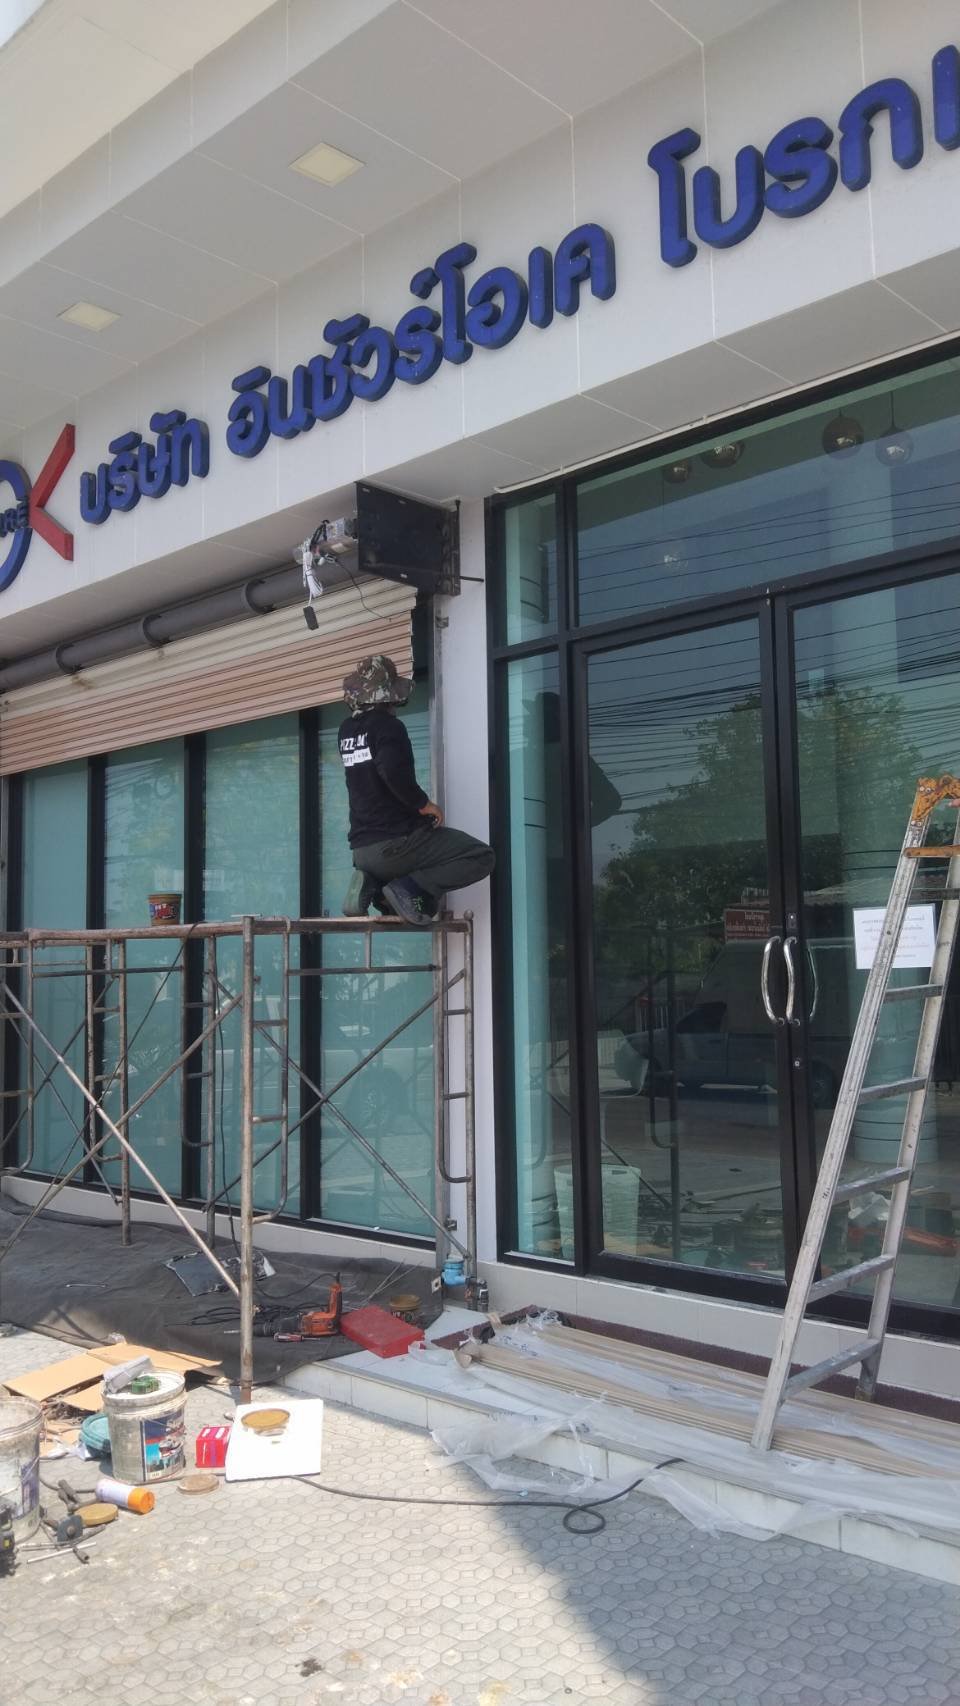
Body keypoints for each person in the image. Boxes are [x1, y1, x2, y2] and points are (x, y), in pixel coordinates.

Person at [338, 654, 495, 926]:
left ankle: (373, 886)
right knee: (480, 856)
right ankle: (407, 891)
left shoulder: (346, 731)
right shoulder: (388, 727)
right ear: (388, 696)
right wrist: (423, 804)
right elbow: (391, 771)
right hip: (395, 843)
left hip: (362, 851)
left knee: (404, 869)